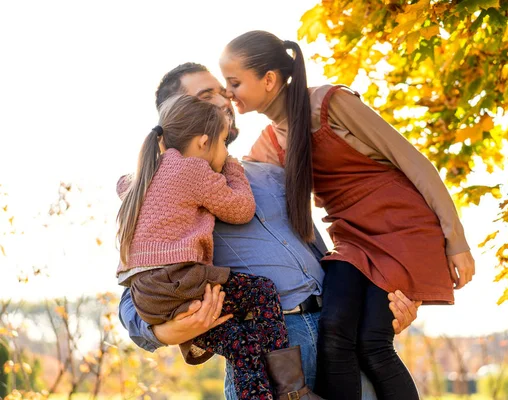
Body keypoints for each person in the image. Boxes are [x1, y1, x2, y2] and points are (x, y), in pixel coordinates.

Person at [118, 62, 421, 400]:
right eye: (207, 97)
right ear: (175, 116)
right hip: (272, 349)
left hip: (340, 333)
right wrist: (166, 331)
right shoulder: (161, 193)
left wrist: (380, 303)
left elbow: (322, 249)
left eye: (223, 92)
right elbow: (136, 290)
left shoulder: (270, 172)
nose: (224, 101)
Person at [219, 31, 476, 400]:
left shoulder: (329, 103)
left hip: (402, 228)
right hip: (352, 240)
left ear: (269, 80)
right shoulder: (270, 144)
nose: (229, 93)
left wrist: (457, 241)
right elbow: (231, 181)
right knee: (333, 331)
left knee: (373, 343)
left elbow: (414, 162)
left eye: (234, 83)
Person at [116, 94, 322, 400]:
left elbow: (123, 184)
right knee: (262, 292)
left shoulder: (141, 177)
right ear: (202, 142)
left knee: (242, 343)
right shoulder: (193, 171)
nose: (226, 150)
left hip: (151, 295)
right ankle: (292, 390)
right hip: (182, 281)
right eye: (224, 143)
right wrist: (232, 169)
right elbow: (240, 210)